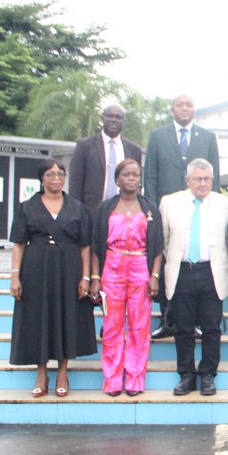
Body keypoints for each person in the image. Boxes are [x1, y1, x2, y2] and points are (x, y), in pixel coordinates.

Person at [8, 159, 97, 398]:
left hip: (69, 268)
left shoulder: (77, 207)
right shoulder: (27, 206)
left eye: (60, 174)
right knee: (39, 318)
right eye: (50, 174)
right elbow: (18, 243)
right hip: (36, 269)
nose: (56, 178)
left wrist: (86, 277)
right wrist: (15, 275)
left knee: (66, 317)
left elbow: (85, 246)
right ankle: (41, 372)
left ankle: (62, 373)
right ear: (42, 178)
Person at [144, 94, 221, 339]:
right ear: (172, 108)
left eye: (189, 104)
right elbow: (151, 175)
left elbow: (214, 176)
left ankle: (195, 323)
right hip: (169, 209)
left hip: (199, 206)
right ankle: (167, 320)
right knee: (169, 262)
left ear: (194, 109)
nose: (185, 108)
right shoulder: (158, 136)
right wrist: (153, 209)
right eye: (180, 104)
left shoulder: (207, 137)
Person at [88, 159, 163, 397]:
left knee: (140, 327)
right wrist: (95, 277)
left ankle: (134, 378)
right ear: (117, 179)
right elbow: (95, 246)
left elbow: (158, 246)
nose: (132, 178)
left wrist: (154, 275)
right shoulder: (105, 209)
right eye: (127, 175)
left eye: (136, 175)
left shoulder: (150, 208)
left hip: (140, 267)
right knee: (112, 325)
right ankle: (111, 379)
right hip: (112, 266)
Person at [160, 158, 228, 396]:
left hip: (211, 271)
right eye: (198, 179)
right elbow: (165, 239)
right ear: (188, 180)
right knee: (183, 328)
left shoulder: (224, 203)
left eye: (207, 179)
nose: (203, 184)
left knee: (212, 327)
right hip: (182, 272)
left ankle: (208, 374)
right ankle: (187, 375)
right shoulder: (170, 203)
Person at [67, 104, 143, 215]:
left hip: (123, 214)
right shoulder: (85, 146)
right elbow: (75, 184)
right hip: (91, 213)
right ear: (103, 118)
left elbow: (137, 184)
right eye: (110, 116)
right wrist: (76, 214)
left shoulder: (134, 150)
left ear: (123, 121)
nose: (114, 120)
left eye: (118, 117)